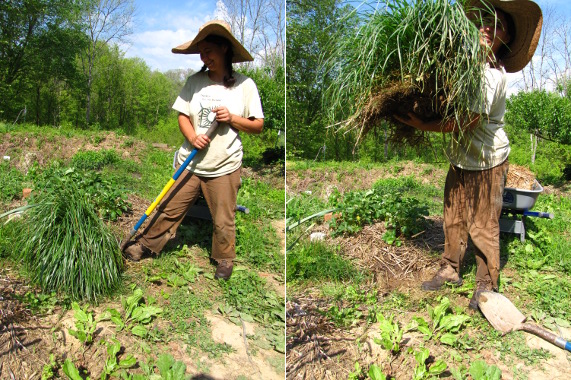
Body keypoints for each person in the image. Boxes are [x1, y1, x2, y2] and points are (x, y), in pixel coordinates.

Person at [394, 0, 542, 309]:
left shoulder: (492, 76)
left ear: (506, 40)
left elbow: (463, 121)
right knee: (453, 218)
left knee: (483, 225)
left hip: (488, 160)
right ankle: (449, 269)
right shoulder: (462, 69)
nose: (488, 27)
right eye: (484, 19)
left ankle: (486, 285)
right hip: (461, 158)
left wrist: (419, 123)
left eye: (498, 25)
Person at [123, 20, 264, 280]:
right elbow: (182, 115)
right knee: (169, 207)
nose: (204, 57)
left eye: (209, 50)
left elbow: (258, 125)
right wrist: (192, 136)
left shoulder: (245, 86)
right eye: (201, 52)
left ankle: (224, 259)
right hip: (190, 162)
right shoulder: (194, 82)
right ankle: (143, 244)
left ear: (224, 48)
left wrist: (232, 118)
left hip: (224, 165)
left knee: (223, 218)